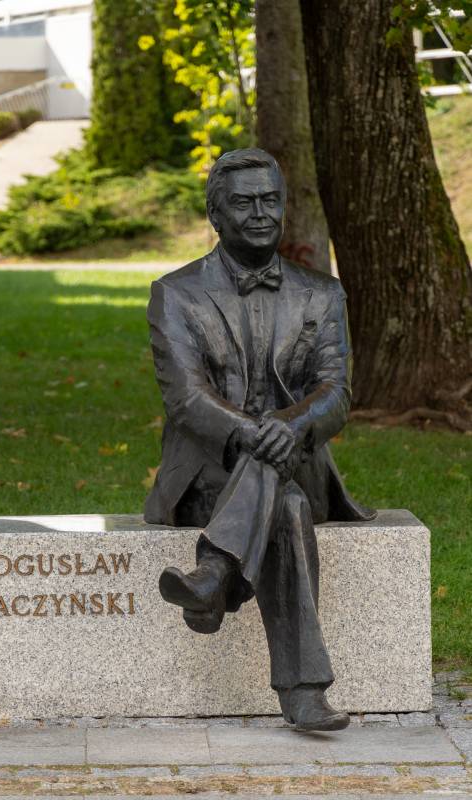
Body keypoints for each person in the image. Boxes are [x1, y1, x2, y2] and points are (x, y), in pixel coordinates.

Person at [144, 148, 375, 732]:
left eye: (270, 200)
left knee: (285, 479)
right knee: (287, 506)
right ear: (215, 215)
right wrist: (258, 434)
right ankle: (303, 692)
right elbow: (186, 399)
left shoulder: (322, 293)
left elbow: (335, 393)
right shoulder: (175, 293)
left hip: (298, 456)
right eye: (244, 202)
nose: (260, 213)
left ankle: (215, 572)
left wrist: (291, 425)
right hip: (208, 475)